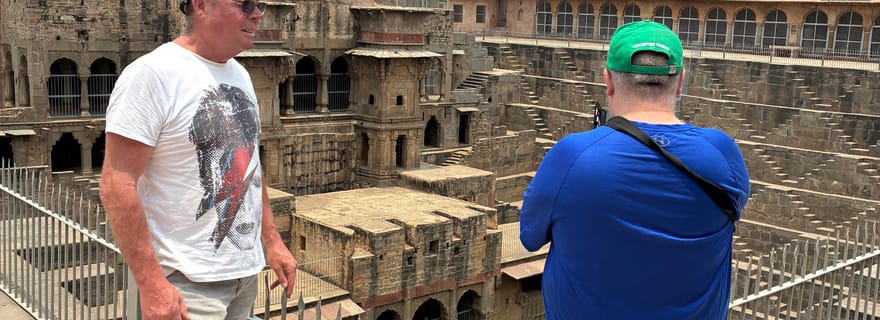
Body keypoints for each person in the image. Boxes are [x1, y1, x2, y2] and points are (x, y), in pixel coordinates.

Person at [519, 20, 750, 320]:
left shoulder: (571, 157)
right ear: (680, 82)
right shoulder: (723, 153)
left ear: (609, 81)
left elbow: (530, 236)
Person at [99, 0, 296, 318]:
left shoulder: (240, 75)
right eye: (244, 4)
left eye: (258, 4)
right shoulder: (153, 76)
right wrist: (151, 284)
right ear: (200, 5)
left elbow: (248, 166)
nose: (257, 14)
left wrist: (272, 240)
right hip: (186, 285)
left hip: (243, 278)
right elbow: (115, 184)